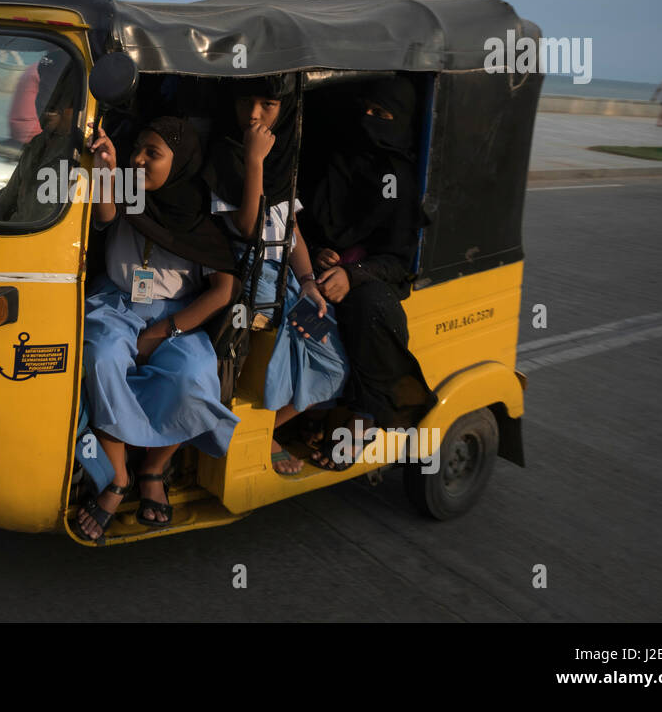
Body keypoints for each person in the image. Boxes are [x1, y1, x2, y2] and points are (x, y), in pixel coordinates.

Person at [74, 116, 240, 541]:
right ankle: (116, 476)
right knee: (102, 355)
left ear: (179, 162)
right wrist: (107, 165)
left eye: (153, 153)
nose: (139, 159)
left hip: (175, 315)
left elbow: (222, 291)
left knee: (194, 378)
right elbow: (106, 213)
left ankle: (153, 469)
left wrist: (163, 331)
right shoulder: (126, 187)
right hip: (117, 302)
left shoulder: (199, 213)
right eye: (138, 150)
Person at [204, 75, 348, 475]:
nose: (254, 114)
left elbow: (292, 230)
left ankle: (273, 425)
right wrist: (254, 161)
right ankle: (262, 433)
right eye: (246, 102)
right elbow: (250, 227)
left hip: (285, 276)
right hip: (254, 276)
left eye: (267, 105)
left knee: (335, 362)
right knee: (276, 361)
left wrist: (308, 282)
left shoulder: (282, 156)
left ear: (285, 110)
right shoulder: (229, 153)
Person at [298, 75, 436, 470]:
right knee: (298, 307)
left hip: (372, 281)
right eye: (366, 110)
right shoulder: (336, 161)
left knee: (368, 307)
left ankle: (363, 418)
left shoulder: (399, 179)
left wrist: (353, 274)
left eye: (382, 114)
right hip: (323, 271)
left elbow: (398, 260)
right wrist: (322, 253)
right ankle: (316, 405)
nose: (368, 121)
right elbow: (306, 223)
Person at [0, 57, 79, 223]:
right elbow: (3, 202)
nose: (45, 104)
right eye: (42, 92)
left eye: (56, 96)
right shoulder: (37, 144)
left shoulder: (81, 152)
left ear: (75, 103)